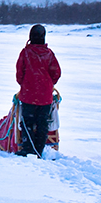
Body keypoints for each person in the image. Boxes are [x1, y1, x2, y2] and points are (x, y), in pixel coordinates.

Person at [15, 23, 61, 157]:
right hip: (45, 96)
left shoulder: (25, 52)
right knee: (42, 124)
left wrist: (24, 84)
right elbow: (56, 72)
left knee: (27, 123)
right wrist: (48, 84)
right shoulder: (49, 54)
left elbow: (19, 73)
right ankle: (38, 151)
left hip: (28, 94)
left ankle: (28, 149)